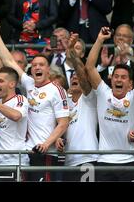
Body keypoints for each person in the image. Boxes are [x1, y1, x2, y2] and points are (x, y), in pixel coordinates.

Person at [0, 19, 69, 181]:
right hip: (28, 152)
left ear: (48, 69)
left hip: (46, 152)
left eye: (41, 65)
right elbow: (9, 61)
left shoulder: (57, 90)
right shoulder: (29, 83)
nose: (37, 68)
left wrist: (47, 144)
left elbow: (63, 123)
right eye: (34, 65)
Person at [86, 27, 134, 181]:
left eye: (123, 77)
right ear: (111, 80)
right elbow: (89, 67)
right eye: (116, 76)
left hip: (128, 162)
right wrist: (99, 39)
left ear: (130, 84)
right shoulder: (103, 92)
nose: (118, 79)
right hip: (104, 161)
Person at [55, 33, 99, 181]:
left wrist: (72, 52)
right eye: (72, 77)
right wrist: (58, 139)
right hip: (68, 162)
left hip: (88, 159)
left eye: (78, 77)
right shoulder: (64, 102)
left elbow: (81, 73)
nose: (75, 77)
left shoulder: (89, 98)